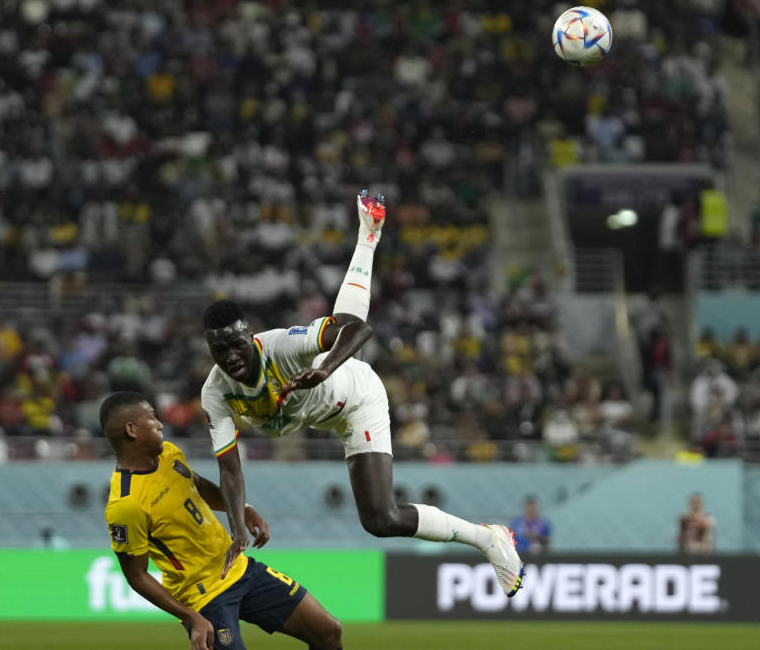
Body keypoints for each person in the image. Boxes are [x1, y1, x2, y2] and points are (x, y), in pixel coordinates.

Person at [200, 191, 523, 597]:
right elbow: (230, 470)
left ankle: (489, 539)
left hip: (356, 398)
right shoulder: (214, 392)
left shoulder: (282, 345)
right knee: (378, 523)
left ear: (251, 337)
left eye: (237, 346)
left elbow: (358, 330)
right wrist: (236, 529)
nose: (230, 357)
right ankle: (367, 235)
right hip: (322, 417)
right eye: (219, 350)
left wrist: (324, 368)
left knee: (381, 518)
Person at [101, 392, 343, 650]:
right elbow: (136, 576)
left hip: (239, 569)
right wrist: (191, 617)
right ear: (132, 429)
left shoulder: (168, 454)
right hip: (203, 597)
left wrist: (242, 508)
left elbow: (197, 487)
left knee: (328, 631)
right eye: (152, 418)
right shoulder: (126, 504)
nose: (161, 424)